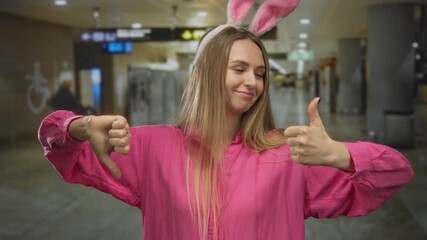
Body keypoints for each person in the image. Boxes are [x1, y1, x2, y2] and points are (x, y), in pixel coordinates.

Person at [38, 1, 413, 240]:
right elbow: (61, 150)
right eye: (239, 68)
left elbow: (395, 172)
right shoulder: (153, 147)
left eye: (261, 72)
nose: (253, 81)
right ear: (207, 72)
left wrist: (340, 154)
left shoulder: (287, 154)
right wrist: (80, 127)